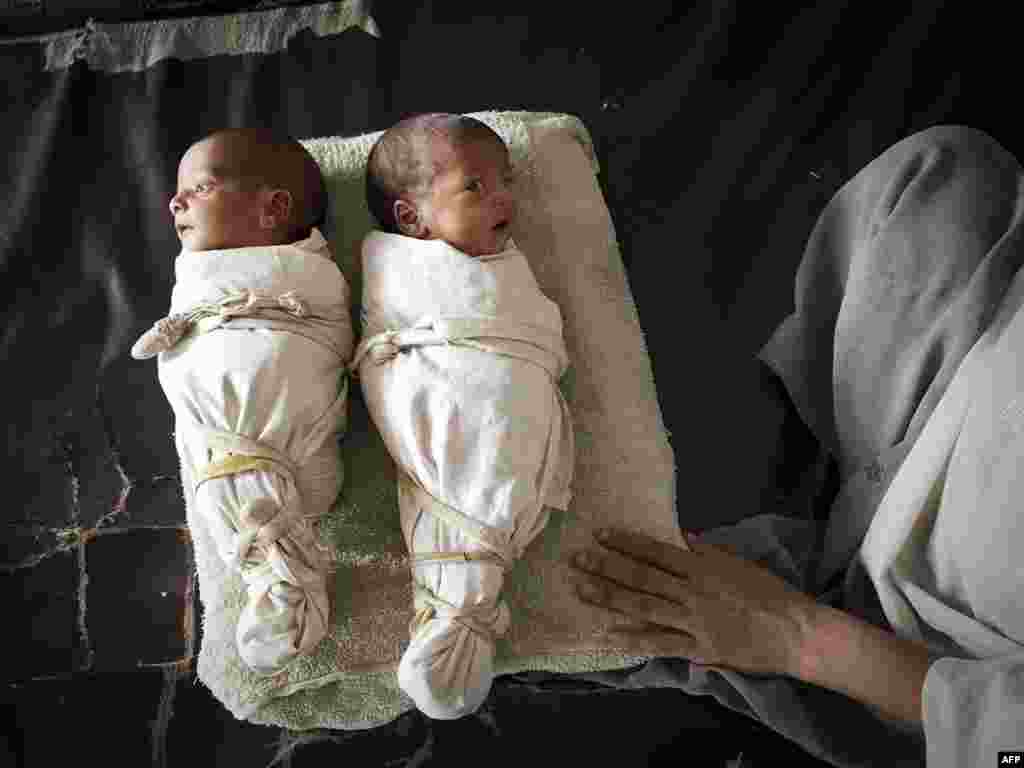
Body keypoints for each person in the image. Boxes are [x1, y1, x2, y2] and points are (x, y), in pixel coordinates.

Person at [567, 125, 1024, 767]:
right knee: (947, 169)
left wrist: (794, 634)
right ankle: (877, 485)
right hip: (966, 380)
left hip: (945, 595)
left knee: (610, 586)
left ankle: (867, 571)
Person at [351, 113, 575, 719]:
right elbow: (390, 346)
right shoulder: (399, 270)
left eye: (504, 182)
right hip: (444, 388)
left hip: (513, 396)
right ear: (410, 219)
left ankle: (458, 611)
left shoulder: (508, 265)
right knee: (467, 479)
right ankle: (458, 607)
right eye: (475, 188)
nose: (503, 198)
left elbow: (536, 332)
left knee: (504, 458)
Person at [131, 127, 355, 677]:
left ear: (273, 209)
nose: (174, 201)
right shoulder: (198, 273)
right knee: (218, 428)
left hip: (284, 377)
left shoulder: (305, 273)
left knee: (259, 386)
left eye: (199, 189)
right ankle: (278, 569)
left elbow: (322, 327)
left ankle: (281, 574)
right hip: (229, 423)